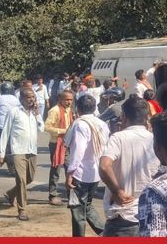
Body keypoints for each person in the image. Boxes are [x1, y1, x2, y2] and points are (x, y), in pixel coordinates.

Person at [99, 95, 160, 236]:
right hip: (149, 215)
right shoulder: (155, 139)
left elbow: (104, 166)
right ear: (147, 117)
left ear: (124, 116)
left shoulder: (118, 138)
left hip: (123, 216)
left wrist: (116, 191)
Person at [65, 94, 110, 237]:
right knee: (87, 205)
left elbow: (78, 151)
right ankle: (104, 233)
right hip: (95, 173)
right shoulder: (102, 124)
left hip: (81, 173)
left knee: (78, 210)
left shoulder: (80, 124)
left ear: (78, 108)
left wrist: (70, 172)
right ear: (94, 107)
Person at [0, 88, 45, 221]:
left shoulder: (34, 113)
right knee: (21, 180)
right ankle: (22, 209)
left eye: (33, 97)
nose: (32, 100)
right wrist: (1, 153)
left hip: (32, 150)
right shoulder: (14, 111)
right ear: (22, 99)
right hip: (18, 150)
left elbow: (41, 128)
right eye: (29, 97)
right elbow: (5, 132)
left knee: (29, 178)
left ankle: (10, 194)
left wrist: (37, 114)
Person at [44, 89, 75, 206]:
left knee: (70, 168)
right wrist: (62, 131)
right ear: (60, 99)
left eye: (71, 100)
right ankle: (53, 195)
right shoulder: (55, 110)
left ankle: (71, 195)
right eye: (66, 100)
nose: (69, 102)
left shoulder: (69, 110)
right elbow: (47, 127)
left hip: (68, 143)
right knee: (56, 169)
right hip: (56, 143)